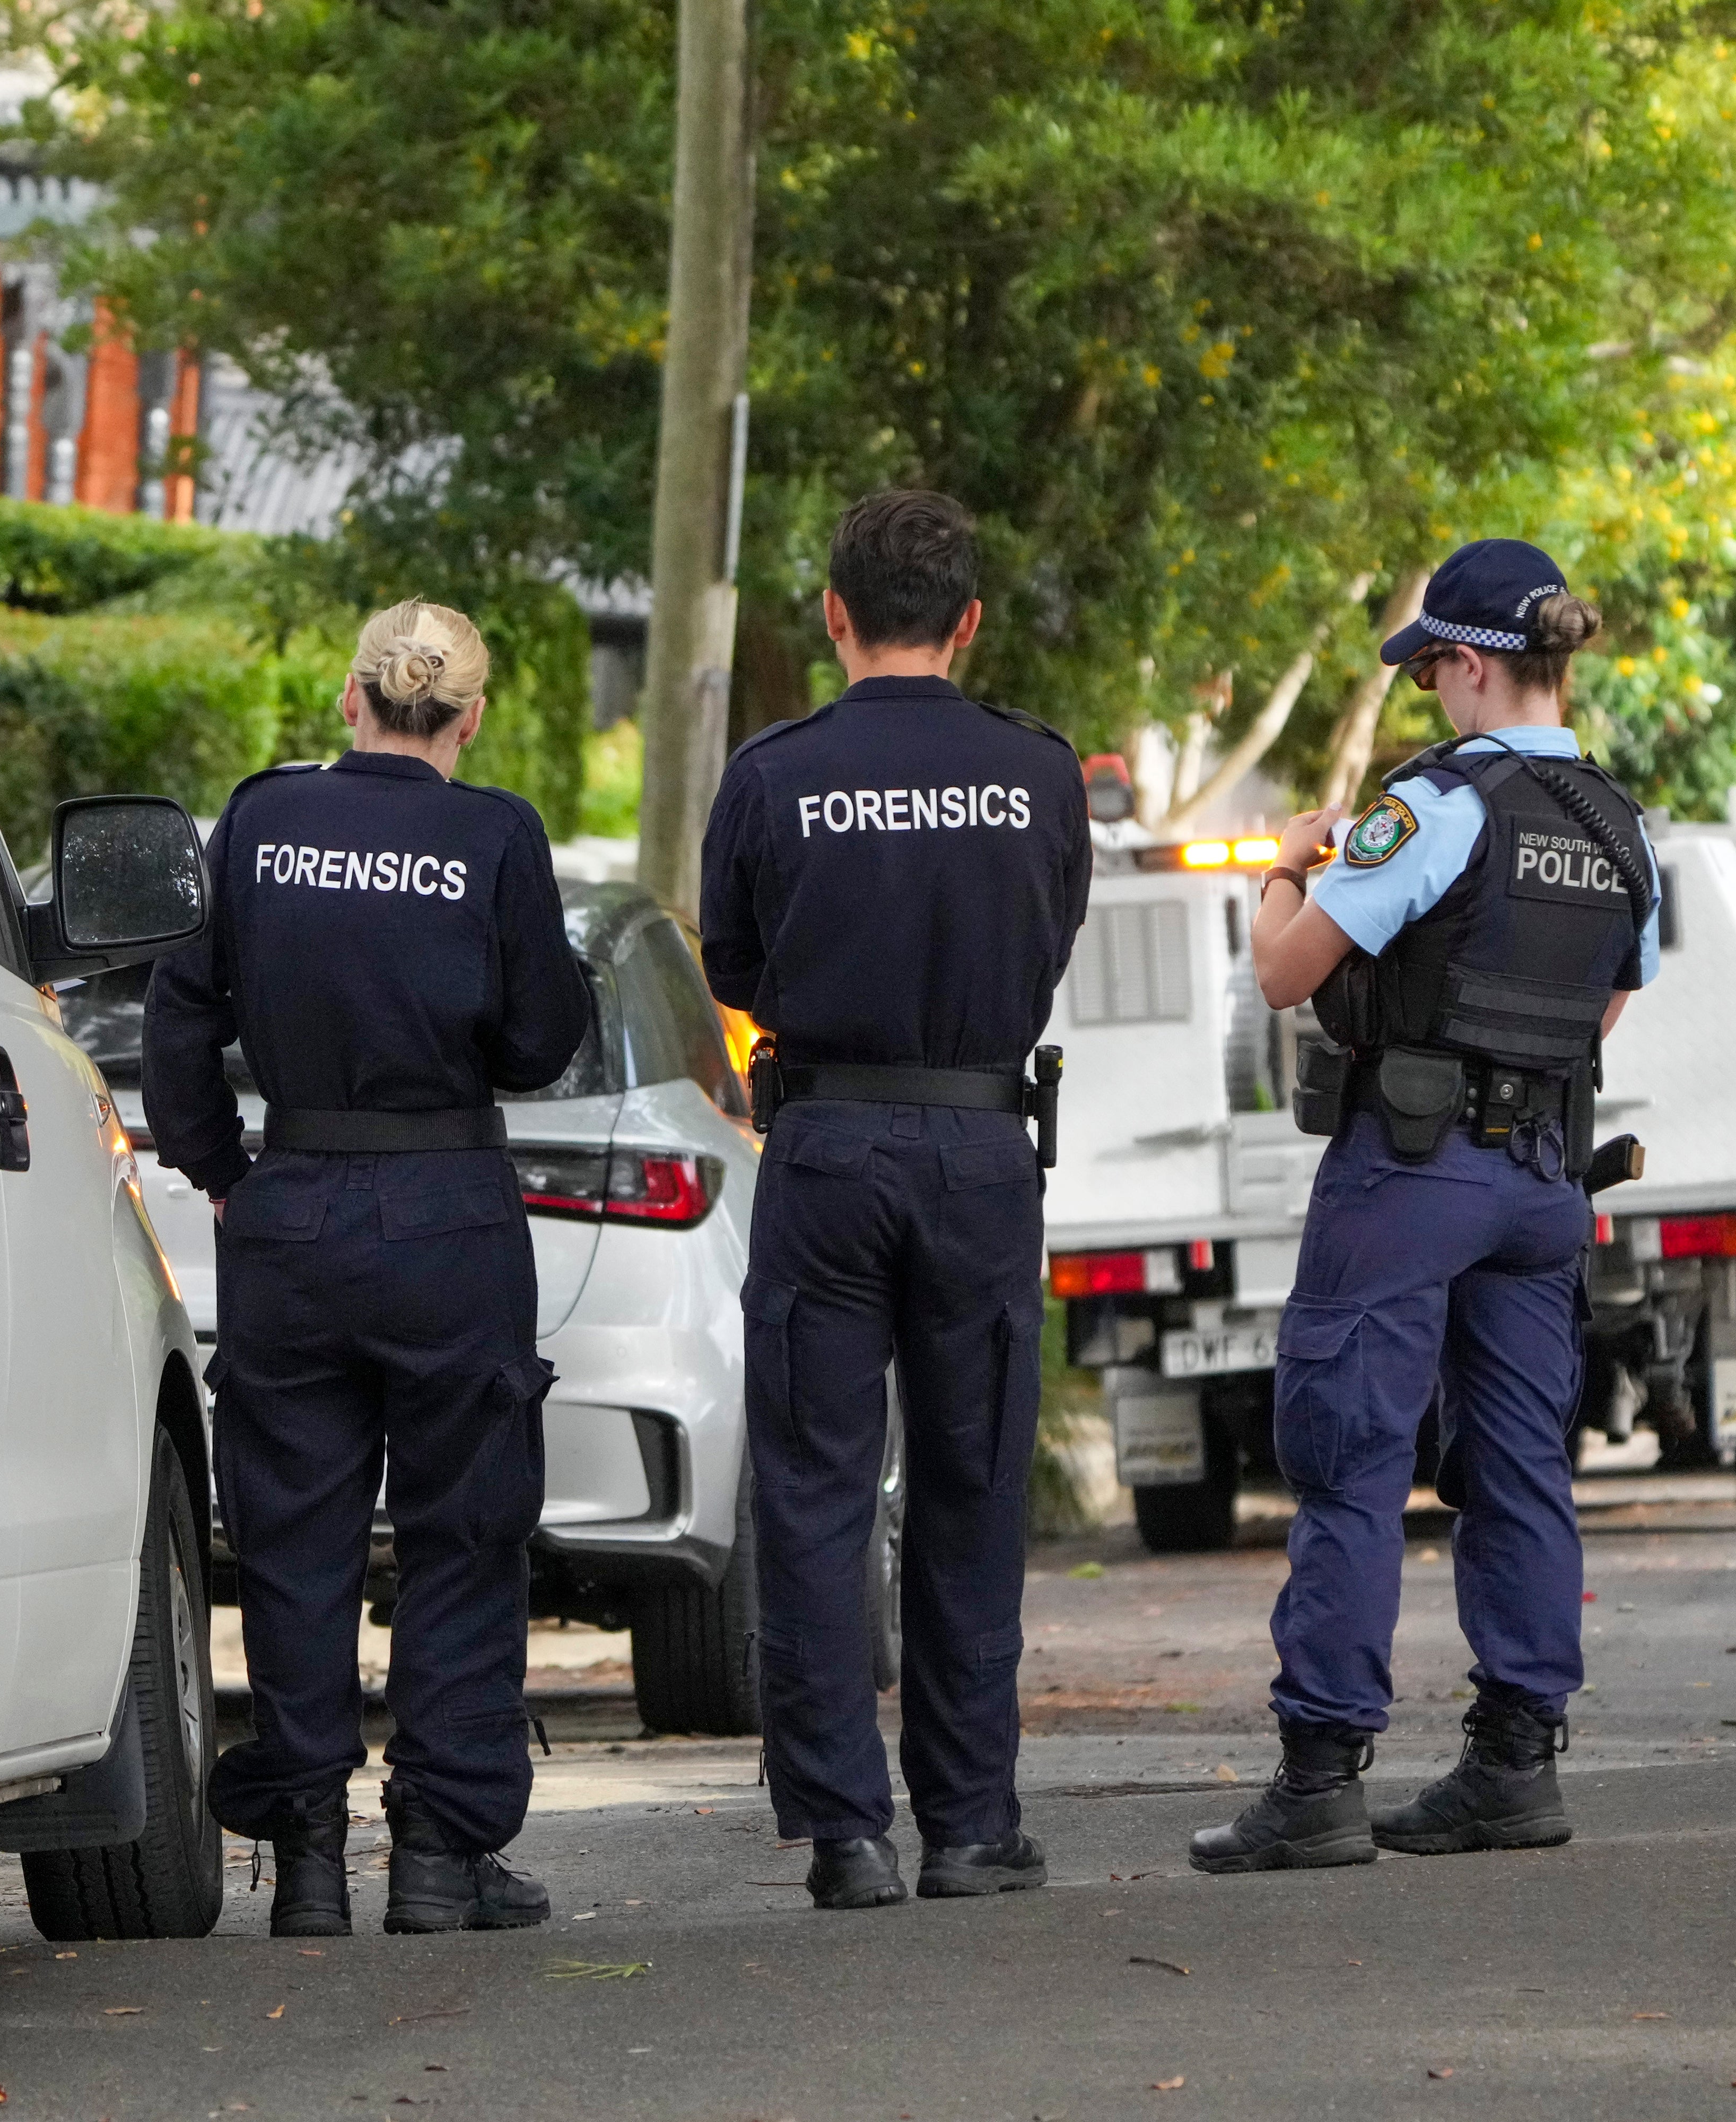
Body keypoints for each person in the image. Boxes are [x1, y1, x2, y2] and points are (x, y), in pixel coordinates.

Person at [1192, 537, 1658, 1874]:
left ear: (1467, 665)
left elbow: (1288, 975)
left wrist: (1284, 868)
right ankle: (1515, 1763)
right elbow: (1603, 1010)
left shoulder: (1434, 807)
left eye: (1431, 675)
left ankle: (1320, 1776)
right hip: (1542, 1184)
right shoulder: (1623, 829)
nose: (1429, 701)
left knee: (1347, 1454)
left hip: (1412, 1168)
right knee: (1519, 1461)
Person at [143, 601, 593, 1936]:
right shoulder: (496, 833)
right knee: (463, 1532)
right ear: (469, 717)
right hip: (451, 1212)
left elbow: (182, 1013)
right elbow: (539, 1043)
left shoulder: (263, 821)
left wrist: (225, 1172)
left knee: (293, 1542)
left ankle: (311, 1861)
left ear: (352, 700)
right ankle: (444, 1856)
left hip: (296, 1210)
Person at [699, 490, 1092, 1910]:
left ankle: (844, 1832)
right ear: (971, 621)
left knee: (814, 1486)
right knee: (974, 1481)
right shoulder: (1037, 774)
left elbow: (734, 970)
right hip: (982, 1149)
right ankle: (974, 1827)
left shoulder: (772, 773)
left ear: (834, 615)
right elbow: (1048, 942)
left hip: (829, 1148)